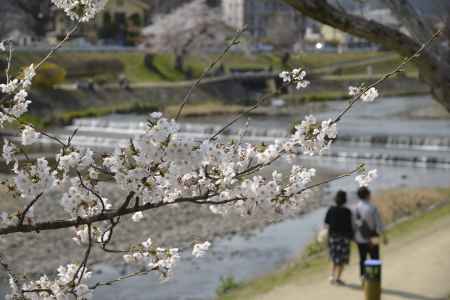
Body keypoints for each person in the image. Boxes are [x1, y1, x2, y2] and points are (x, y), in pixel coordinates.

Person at [353, 187, 388, 283]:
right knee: (375, 258)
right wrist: (384, 236)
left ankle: (363, 278)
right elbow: (379, 223)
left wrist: (354, 238)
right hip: (373, 237)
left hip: (360, 238)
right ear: (367, 195)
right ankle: (375, 280)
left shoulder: (355, 208)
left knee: (362, 259)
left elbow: (354, 225)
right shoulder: (372, 207)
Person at [324, 190, 354, 285]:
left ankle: (332, 276)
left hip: (333, 237)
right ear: (345, 199)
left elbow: (326, 224)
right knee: (342, 259)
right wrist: (352, 237)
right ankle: (338, 278)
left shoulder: (331, 209)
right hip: (344, 238)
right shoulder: (347, 211)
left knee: (334, 257)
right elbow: (350, 226)